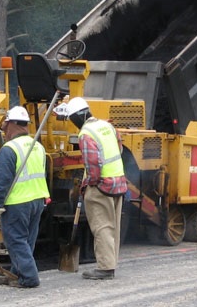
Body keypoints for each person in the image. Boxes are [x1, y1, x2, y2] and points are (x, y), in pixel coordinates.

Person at [62, 97, 128, 280]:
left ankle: (105, 268)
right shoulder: (107, 126)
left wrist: (89, 182)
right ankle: (111, 263)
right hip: (118, 183)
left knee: (102, 227)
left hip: (101, 187)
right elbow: (119, 150)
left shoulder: (86, 134)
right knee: (113, 226)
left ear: (75, 118)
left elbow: (93, 164)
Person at [0, 106, 48, 288]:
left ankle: (29, 277)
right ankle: (17, 272)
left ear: (12, 125)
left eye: (6, 126)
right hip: (37, 199)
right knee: (27, 240)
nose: (4, 130)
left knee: (15, 240)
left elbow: (2, 181)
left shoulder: (9, 149)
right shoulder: (38, 147)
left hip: (17, 202)